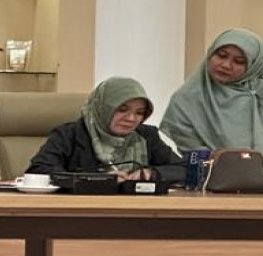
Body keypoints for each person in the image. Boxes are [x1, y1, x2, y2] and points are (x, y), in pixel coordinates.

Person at [160, 28, 263, 168]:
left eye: (239, 61)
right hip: (208, 180)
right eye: (221, 55)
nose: (226, 65)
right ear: (210, 54)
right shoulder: (186, 100)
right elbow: (193, 152)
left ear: (253, 66)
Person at [26, 77, 185, 183]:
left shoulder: (146, 136)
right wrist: (99, 179)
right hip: (81, 213)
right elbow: (39, 171)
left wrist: (152, 173)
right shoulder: (69, 134)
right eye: (122, 110)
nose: (131, 119)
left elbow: (184, 169)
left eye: (139, 113)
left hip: (138, 213)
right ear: (102, 108)